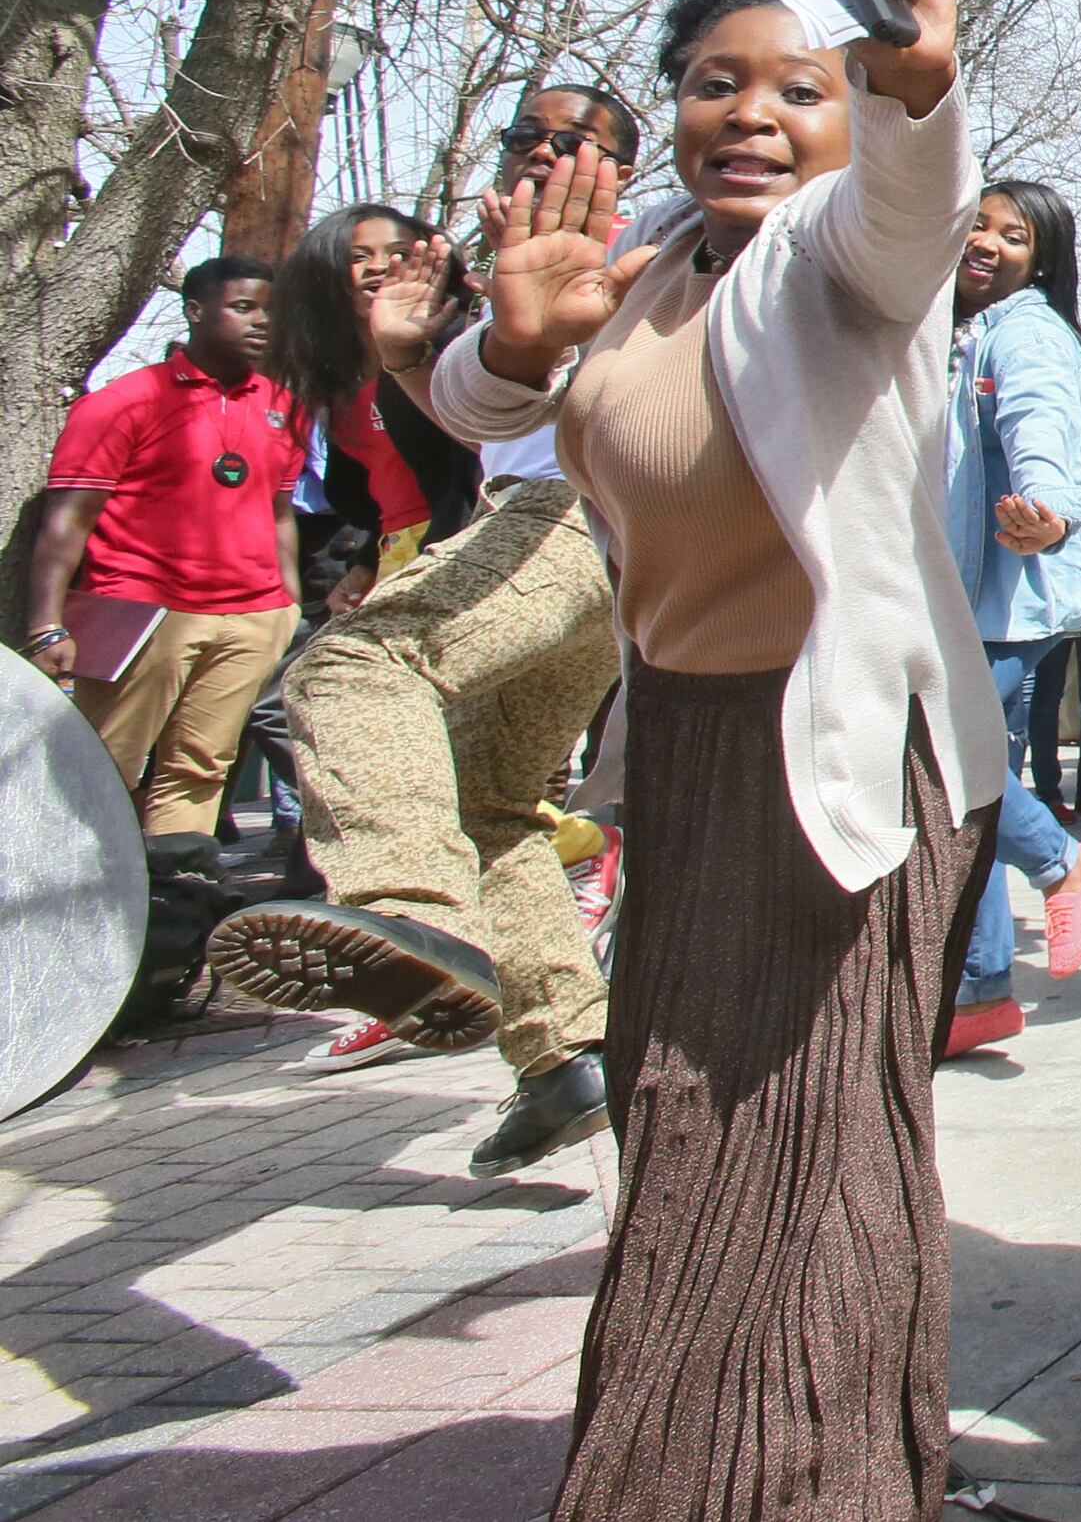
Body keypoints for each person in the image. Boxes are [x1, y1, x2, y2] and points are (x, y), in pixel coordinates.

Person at [433, 0, 990, 1520]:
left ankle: (822, 1483)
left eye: (797, 90)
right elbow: (487, 405)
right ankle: (678, 1472)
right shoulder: (655, 251)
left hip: (845, 754)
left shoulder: (843, 253)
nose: (749, 115)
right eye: (711, 83)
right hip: (681, 748)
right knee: (678, 1124)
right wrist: (516, 341)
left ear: (844, 111)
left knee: (812, 1149)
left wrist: (919, 88)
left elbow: (910, 213)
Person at [207, 83, 648, 1175]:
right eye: (527, 137)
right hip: (566, 546)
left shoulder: (648, 242)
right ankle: (561, 1056)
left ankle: (412, 916)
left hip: (577, 517)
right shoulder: (473, 289)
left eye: (579, 140)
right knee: (486, 801)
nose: (548, 153)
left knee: (349, 666)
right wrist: (409, 351)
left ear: (622, 165)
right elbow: (477, 427)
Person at [25, 258, 305, 871]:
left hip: (252, 618)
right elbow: (67, 522)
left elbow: (281, 510)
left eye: (272, 310)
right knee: (100, 766)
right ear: (195, 310)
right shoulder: (127, 401)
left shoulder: (284, 405)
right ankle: (67, 893)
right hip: (142, 613)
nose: (262, 322)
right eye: (243, 307)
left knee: (202, 767)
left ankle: (171, 908)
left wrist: (287, 604)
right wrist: (46, 623)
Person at [944, 178, 1081, 1050]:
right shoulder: (951, 331)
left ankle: (1061, 858)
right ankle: (977, 990)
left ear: (1041, 259)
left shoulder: (1028, 331)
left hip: (1016, 583)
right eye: (977, 223)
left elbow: (1038, 418)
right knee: (959, 783)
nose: (987, 242)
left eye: (1014, 235)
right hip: (967, 589)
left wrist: (1045, 507)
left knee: (948, 761)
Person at [268, 204, 480, 606]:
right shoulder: (333, 387)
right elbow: (377, 507)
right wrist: (365, 565)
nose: (380, 266)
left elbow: (478, 470)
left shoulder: (454, 355)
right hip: (396, 557)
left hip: (459, 554)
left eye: (399, 252)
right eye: (357, 256)